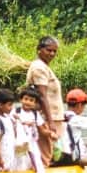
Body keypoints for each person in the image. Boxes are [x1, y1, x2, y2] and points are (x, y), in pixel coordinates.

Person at [26, 35, 63, 165]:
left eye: (54, 51)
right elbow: (42, 96)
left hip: (53, 116)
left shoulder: (44, 67)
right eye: (48, 50)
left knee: (53, 153)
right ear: (39, 50)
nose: (52, 54)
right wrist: (50, 121)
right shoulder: (39, 68)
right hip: (46, 117)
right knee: (45, 154)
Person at [55, 88, 87, 164]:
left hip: (60, 155)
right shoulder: (76, 119)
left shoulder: (60, 116)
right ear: (80, 105)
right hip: (73, 158)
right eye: (84, 105)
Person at [10, 85, 49, 173]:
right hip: (20, 141)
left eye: (31, 100)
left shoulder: (35, 114)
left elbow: (42, 128)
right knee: (20, 160)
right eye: (26, 99)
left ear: (35, 103)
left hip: (32, 141)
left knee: (36, 157)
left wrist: (51, 134)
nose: (28, 102)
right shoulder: (16, 111)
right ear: (21, 100)